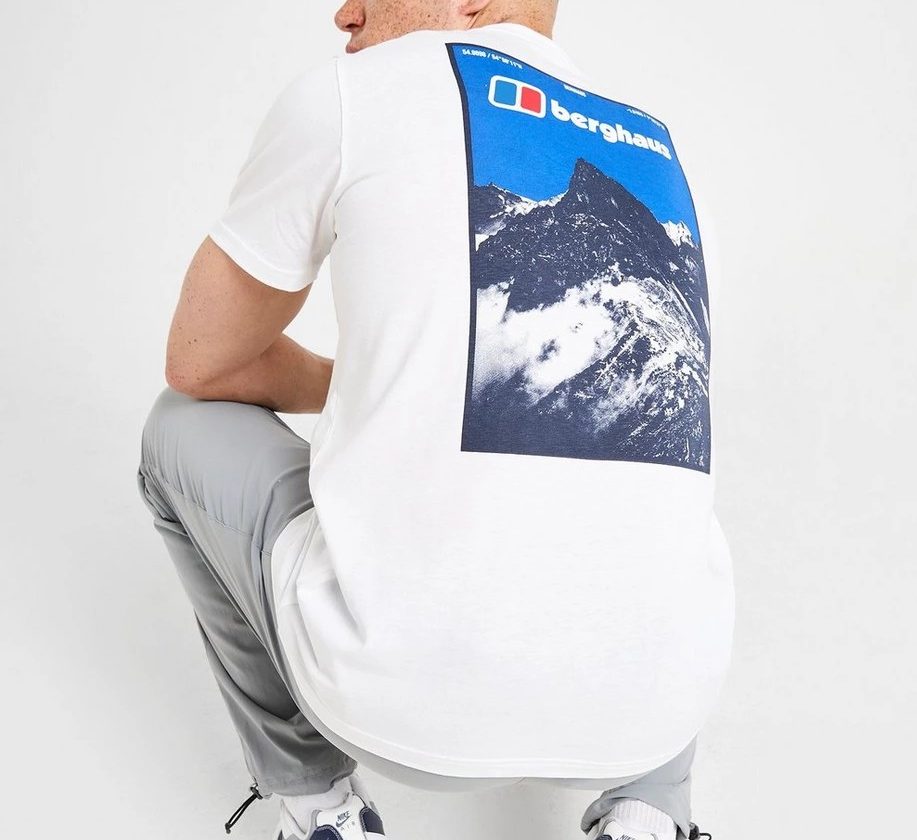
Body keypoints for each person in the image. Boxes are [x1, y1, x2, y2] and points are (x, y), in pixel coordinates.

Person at [134, 1, 735, 839]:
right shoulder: (657, 145)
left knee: (178, 426)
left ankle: (318, 807)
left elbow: (202, 362)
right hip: (655, 720)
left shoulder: (348, 96)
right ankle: (651, 812)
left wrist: (362, 385)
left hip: (395, 712)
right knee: (648, 466)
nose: (345, 14)